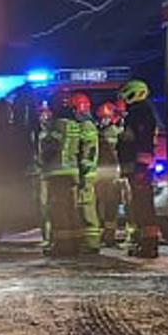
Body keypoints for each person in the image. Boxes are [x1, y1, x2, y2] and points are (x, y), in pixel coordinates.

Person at [36, 90, 87, 256]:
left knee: (59, 210)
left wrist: (41, 160)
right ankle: (74, 243)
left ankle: (62, 245)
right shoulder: (74, 124)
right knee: (71, 209)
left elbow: (49, 148)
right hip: (72, 170)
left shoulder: (56, 125)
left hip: (57, 171)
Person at [115, 79, 162, 258]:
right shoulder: (138, 112)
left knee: (143, 206)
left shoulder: (140, 112)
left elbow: (142, 139)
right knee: (139, 205)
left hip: (139, 166)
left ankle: (149, 245)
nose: (123, 98)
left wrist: (141, 163)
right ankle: (145, 243)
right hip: (136, 166)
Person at [70, 93, 104, 254]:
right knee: (84, 206)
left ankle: (92, 243)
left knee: (86, 207)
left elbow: (87, 151)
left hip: (87, 173)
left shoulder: (86, 126)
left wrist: (84, 173)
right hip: (87, 172)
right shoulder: (86, 125)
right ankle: (88, 241)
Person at [94, 102, 125, 247]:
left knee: (109, 204)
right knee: (107, 204)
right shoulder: (113, 131)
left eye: (105, 117)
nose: (103, 120)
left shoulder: (111, 132)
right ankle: (108, 234)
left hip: (110, 173)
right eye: (102, 118)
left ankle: (108, 234)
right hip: (107, 172)